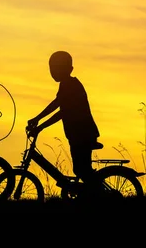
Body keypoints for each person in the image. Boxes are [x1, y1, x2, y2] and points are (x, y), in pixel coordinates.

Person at [27, 51, 102, 190]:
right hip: (77, 134)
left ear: (70, 69)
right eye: (52, 68)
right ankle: (94, 193)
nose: (54, 72)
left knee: (82, 170)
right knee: (81, 169)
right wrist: (37, 119)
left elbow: (62, 112)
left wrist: (40, 126)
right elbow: (57, 103)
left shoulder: (72, 85)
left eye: (58, 68)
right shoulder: (66, 84)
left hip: (82, 133)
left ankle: (99, 195)